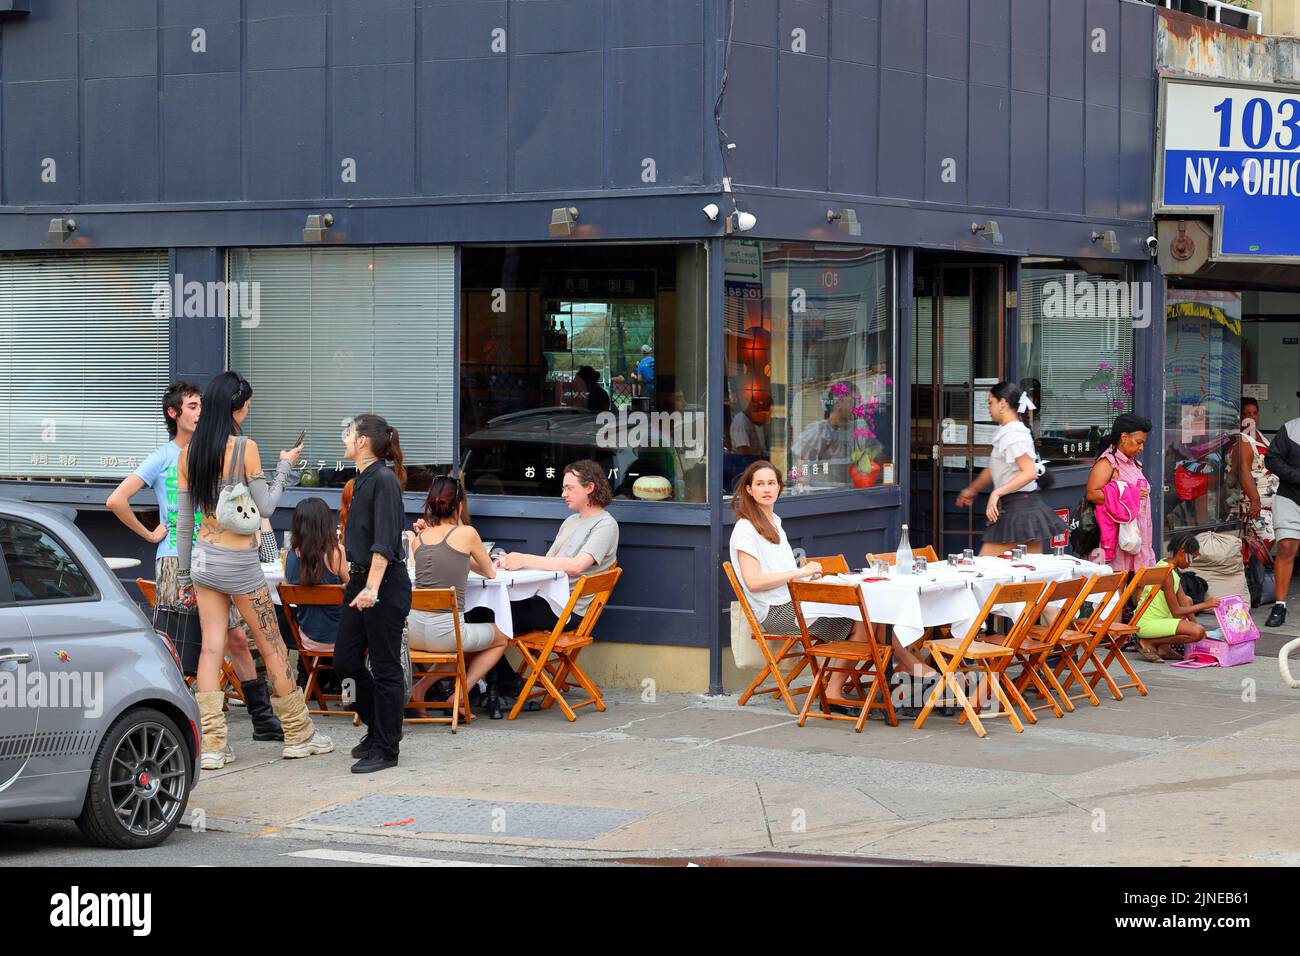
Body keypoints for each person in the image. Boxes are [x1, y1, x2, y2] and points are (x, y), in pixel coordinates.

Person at [107, 382, 283, 741]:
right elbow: (116, 500)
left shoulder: (212, 451)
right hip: (176, 559)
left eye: (201, 404)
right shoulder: (164, 456)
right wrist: (150, 534)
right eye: (191, 406)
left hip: (213, 557)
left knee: (235, 637)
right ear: (174, 414)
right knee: (181, 643)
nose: (199, 411)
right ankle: (177, 724)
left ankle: (262, 719)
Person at [176, 372, 332, 769]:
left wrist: (181, 575)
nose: (249, 410)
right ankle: (298, 733)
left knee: (212, 647)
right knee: (272, 645)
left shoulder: (188, 453)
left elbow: (183, 522)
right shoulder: (245, 448)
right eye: (248, 404)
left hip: (204, 560)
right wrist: (284, 467)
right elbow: (265, 507)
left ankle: (211, 745)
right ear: (235, 407)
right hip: (239, 562)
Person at [728, 461, 933, 707]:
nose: (766, 489)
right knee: (863, 620)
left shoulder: (775, 523)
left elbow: (782, 573)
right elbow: (753, 582)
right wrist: (798, 574)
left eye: (771, 483)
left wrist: (805, 576)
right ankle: (841, 689)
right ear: (749, 490)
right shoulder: (745, 529)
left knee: (874, 614)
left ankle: (910, 669)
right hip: (775, 611)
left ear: (780, 488)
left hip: (794, 601)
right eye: (759, 484)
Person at [333, 414, 412, 773]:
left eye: (348, 433)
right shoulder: (361, 480)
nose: (344, 438)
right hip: (361, 581)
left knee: (384, 667)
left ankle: (387, 748)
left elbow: (385, 543)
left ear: (363, 441)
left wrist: (371, 588)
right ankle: (375, 726)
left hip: (382, 584)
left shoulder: (385, 481)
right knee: (345, 662)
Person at [406, 477, 509, 719]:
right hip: (448, 634)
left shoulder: (419, 539)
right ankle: (460, 696)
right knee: (502, 637)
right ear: (459, 505)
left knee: (463, 646)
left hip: (414, 631)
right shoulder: (467, 533)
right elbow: (489, 572)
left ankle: (419, 690)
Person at [498, 460, 619, 636]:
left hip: (566, 610)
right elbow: (547, 564)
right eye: (564, 488)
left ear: (590, 488)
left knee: (489, 615)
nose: (563, 494)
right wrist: (510, 562)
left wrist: (524, 559)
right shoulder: (570, 521)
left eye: (569, 488)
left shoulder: (606, 525)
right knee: (483, 612)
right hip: (547, 599)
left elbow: (577, 566)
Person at [955, 382, 1064, 556]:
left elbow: (1030, 472)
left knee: (984, 569)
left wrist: (996, 493)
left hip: (1018, 509)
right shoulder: (1008, 431)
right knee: (1031, 573)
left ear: (1003, 403)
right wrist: (971, 490)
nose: (988, 407)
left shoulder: (1012, 433)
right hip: (1026, 507)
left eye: (990, 402)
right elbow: (994, 469)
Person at [1084, 413, 1156, 572]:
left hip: (1136, 535)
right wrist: (1130, 495)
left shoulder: (1132, 463)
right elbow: (1092, 494)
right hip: (1117, 537)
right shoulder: (1108, 463)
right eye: (1138, 442)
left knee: (1139, 581)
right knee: (1117, 586)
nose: (1141, 448)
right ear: (1124, 437)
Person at [1134, 532, 1220, 662]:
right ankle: (1149, 642)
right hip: (1147, 624)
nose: (1190, 564)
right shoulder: (1167, 573)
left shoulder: (1168, 567)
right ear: (1182, 552)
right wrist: (1205, 605)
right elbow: (1176, 611)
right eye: (1191, 558)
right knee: (1197, 632)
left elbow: (1184, 601)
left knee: (1190, 606)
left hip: (1154, 620)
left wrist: (1199, 630)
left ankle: (1164, 647)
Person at [284, 497, 350, 643]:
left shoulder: (289, 556)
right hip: (342, 640)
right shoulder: (336, 553)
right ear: (326, 523)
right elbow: (354, 588)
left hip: (308, 640)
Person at [1264, 403, 1300, 628]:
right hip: (1290, 497)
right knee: (1286, 546)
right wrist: (1296, 476)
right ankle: (1279, 605)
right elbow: (1272, 459)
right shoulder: (1291, 429)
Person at [1241, 397, 1276, 544]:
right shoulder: (1243, 440)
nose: (1252, 417)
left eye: (1254, 413)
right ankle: (1257, 568)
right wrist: (1255, 500)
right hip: (1255, 504)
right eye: (1247, 414)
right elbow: (1244, 470)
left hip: (1269, 506)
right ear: (1241, 417)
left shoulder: (1260, 437)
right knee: (1266, 540)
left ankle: (1259, 567)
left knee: (1266, 542)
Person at [729, 394, 772, 458]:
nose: (764, 417)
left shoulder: (748, 421)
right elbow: (742, 451)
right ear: (755, 406)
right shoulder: (741, 421)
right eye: (764, 412)